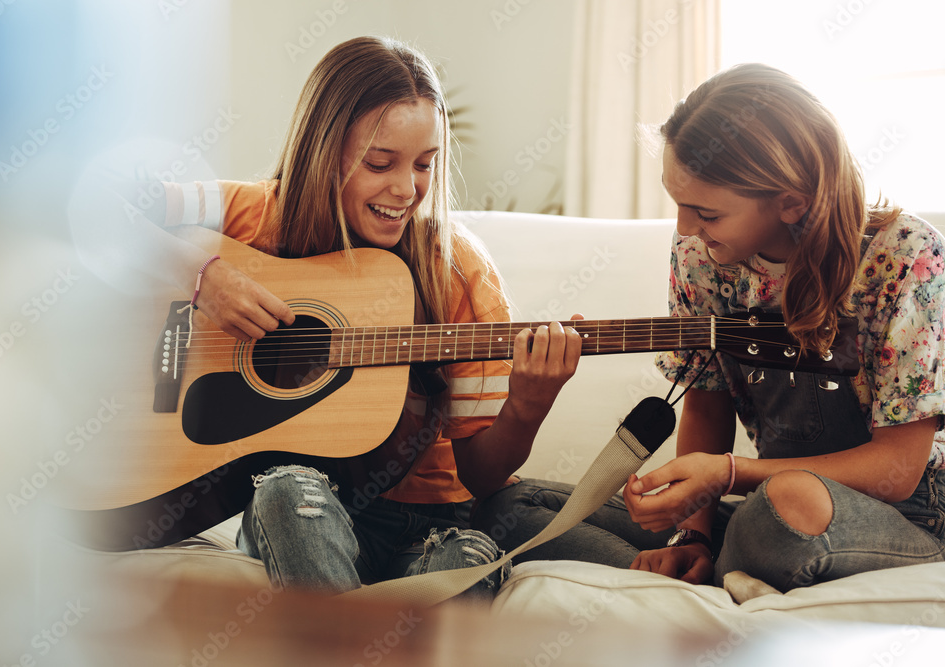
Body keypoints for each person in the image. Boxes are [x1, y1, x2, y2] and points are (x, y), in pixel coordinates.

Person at [90, 36, 581, 597]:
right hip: (303, 502)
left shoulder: (459, 272)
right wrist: (204, 276)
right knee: (283, 490)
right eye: (380, 163)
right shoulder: (258, 215)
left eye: (425, 164)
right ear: (324, 149)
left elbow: (482, 475)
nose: (406, 189)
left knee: (471, 560)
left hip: (436, 526)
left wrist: (527, 405)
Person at [471, 63, 944, 592]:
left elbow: (899, 470)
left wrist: (726, 474)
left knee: (786, 504)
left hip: (906, 516)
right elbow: (706, 398)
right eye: (677, 204)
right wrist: (690, 533)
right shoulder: (701, 256)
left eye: (706, 213)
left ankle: (729, 561)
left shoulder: (905, 257)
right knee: (514, 505)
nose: (684, 228)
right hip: (759, 500)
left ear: (791, 200)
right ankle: (710, 567)